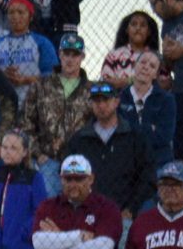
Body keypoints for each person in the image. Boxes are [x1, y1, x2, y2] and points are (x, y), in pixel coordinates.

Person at [65, 81, 154, 216]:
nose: (101, 105)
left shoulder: (135, 137)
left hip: (126, 213)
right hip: (87, 214)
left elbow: (147, 176)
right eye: (96, 101)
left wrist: (131, 209)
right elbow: (68, 176)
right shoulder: (79, 140)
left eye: (106, 100)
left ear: (116, 102)